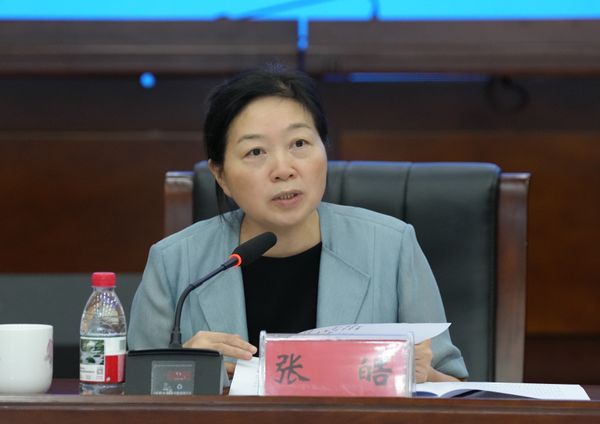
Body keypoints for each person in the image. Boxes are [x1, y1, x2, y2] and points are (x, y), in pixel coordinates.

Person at [128, 64, 468, 382]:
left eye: (300, 144)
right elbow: (132, 394)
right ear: (221, 175)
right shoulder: (174, 263)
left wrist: (424, 373)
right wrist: (183, 367)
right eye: (256, 152)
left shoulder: (392, 248)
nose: (283, 169)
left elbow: (457, 390)